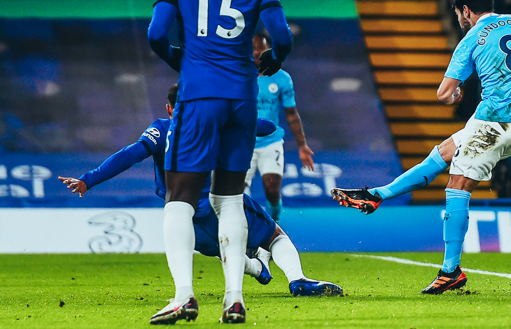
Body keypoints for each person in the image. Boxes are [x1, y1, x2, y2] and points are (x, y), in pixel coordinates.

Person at [332, 0, 511, 294]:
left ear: (466, 10)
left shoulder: (472, 37)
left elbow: (444, 94)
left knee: (457, 185)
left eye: (459, 13)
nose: (460, 19)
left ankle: (450, 270)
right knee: (443, 153)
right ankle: (378, 194)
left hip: (493, 122)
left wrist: (458, 93)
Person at [146, 0, 292, 324]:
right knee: (229, 199)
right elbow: (280, 36)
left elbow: (156, 33)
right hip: (242, 96)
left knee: (180, 200)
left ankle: (183, 297)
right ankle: (233, 299)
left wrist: (182, 61)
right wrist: (275, 59)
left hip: (199, 96)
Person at [58, 85, 342, 298]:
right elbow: (267, 128)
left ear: (169, 108)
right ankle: (297, 279)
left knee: (222, 251)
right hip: (223, 202)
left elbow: (129, 155)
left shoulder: (161, 129)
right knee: (273, 236)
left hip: (185, 217)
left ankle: (256, 270)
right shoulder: (215, 123)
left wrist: (88, 179)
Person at [248, 33, 315, 221]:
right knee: (239, 194)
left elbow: (291, 113)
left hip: (271, 142)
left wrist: (302, 145)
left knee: (272, 191)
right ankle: (245, 236)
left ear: (269, 50)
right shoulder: (239, 76)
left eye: (260, 47)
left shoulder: (282, 78)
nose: (256, 52)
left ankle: (273, 226)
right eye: (252, 48)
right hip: (243, 143)